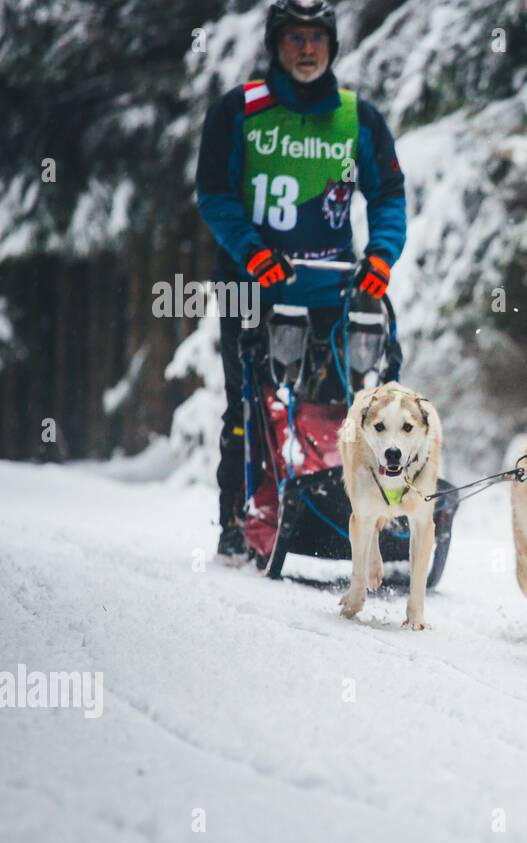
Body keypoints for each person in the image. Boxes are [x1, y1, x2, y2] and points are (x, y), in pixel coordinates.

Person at [195, 0, 406, 559]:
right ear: (276, 45)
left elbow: (388, 196)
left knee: (351, 403)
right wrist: (254, 254)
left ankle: (354, 513)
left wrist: (382, 258)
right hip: (252, 285)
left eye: (317, 37)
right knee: (247, 405)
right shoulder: (238, 111)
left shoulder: (358, 117)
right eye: (295, 38)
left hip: (333, 287)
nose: (307, 48)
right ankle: (237, 523)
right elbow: (214, 196)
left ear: (332, 45)